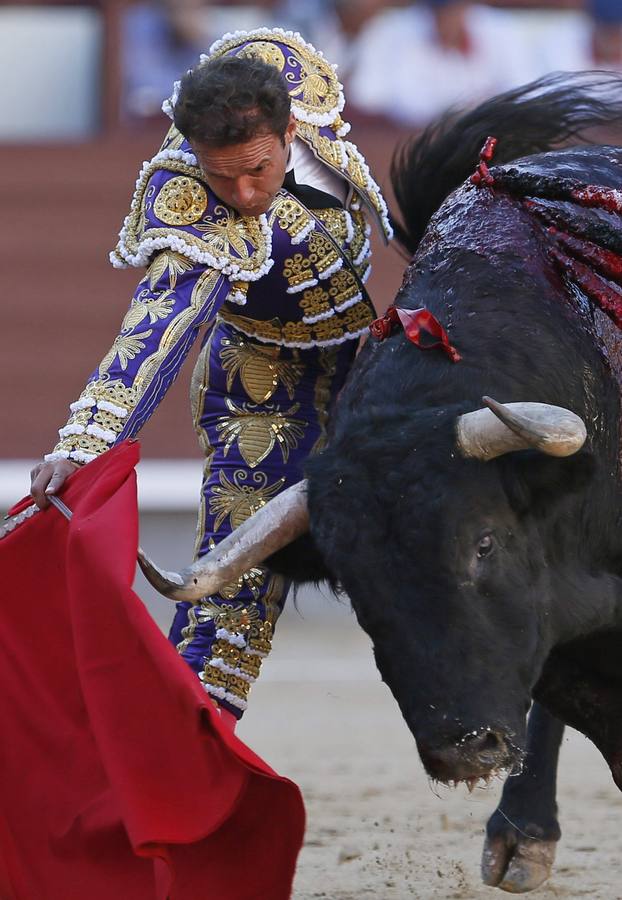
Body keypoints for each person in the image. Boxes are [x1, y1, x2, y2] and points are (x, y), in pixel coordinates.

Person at [30, 28, 392, 722]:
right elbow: (158, 326)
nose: (245, 194)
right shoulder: (193, 201)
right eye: (223, 176)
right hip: (263, 391)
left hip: (372, 372)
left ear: (292, 127)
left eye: (257, 170)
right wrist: (84, 444)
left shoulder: (287, 70)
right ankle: (172, 783)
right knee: (225, 606)